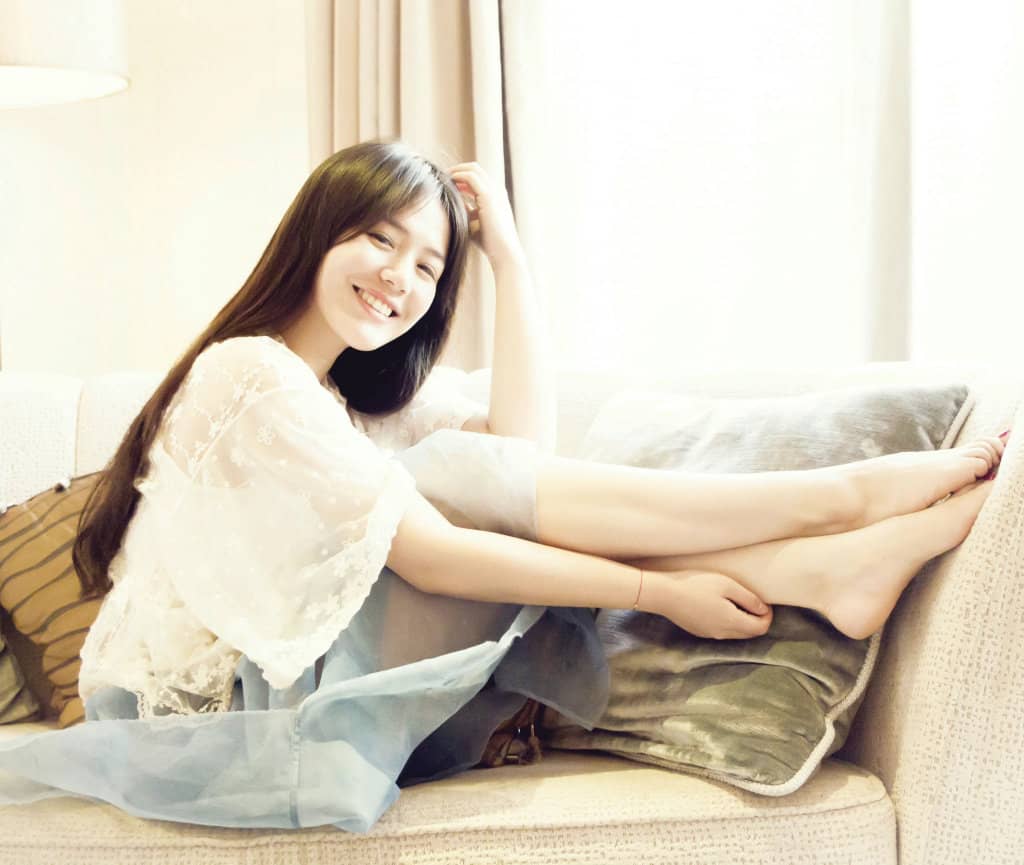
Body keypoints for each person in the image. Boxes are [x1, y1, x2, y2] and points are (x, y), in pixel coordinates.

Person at [0, 140, 1007, 833]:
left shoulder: (352, 403)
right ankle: (836, 504)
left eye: (429, 267)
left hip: (314, 690)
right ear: (317, 232)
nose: (400, 278)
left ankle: (820, 566)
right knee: (443, 484)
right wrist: (658, 591)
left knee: (461, 468)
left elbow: (523, 454)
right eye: (380, 239)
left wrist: (509, 259)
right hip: (225, 721)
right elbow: (436, 554)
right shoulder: (248, 373)